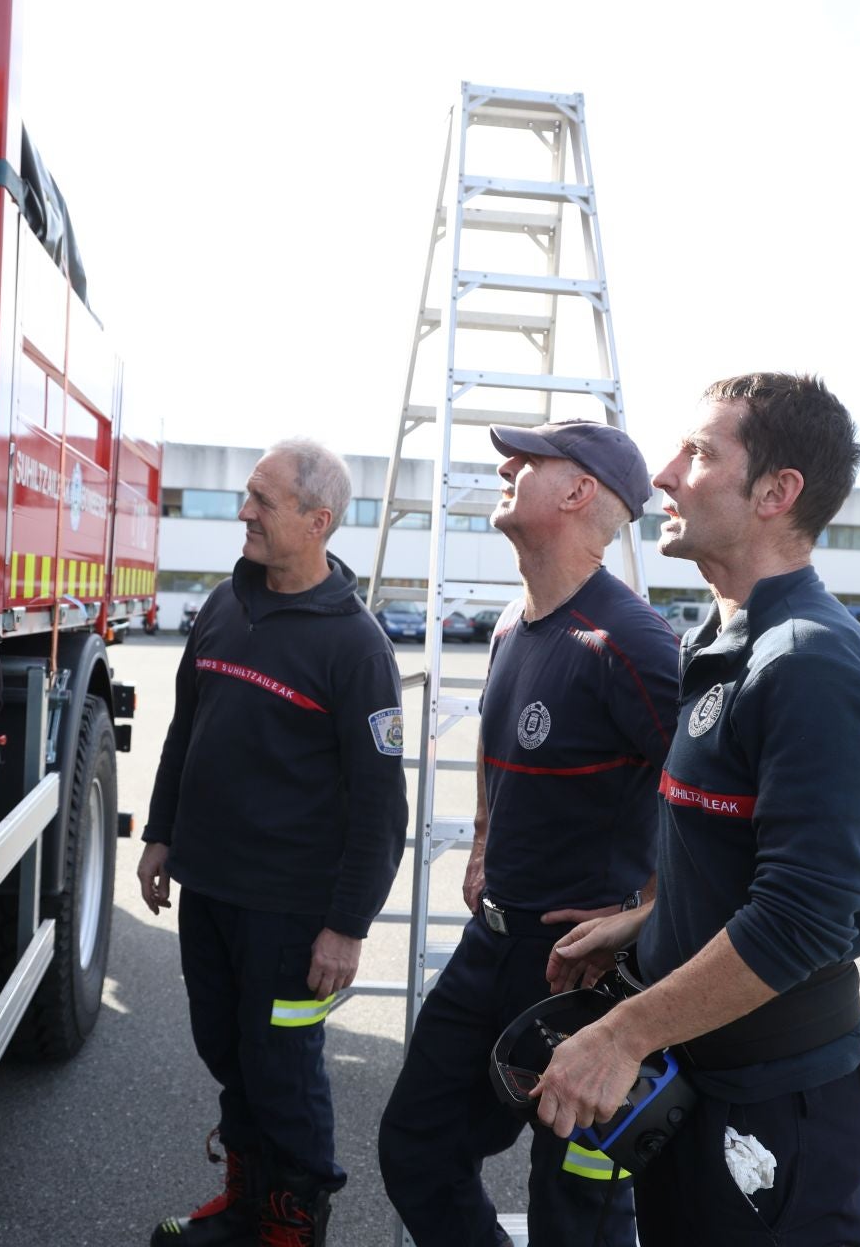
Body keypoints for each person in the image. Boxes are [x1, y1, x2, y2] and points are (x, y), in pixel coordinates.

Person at [535, 373, 860, 1246]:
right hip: (701, 1077)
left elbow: (807, 917)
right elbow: (743, 852)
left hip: (775, 1104)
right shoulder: (722, 637)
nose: (664, 475)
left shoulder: (808, 662)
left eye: (700, 453)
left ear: (778, 494)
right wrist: (646, 923)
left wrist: (621, 1035)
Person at [378, 420, 680, 1247]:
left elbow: (719, 799)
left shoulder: (633, 641)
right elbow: (494, 735)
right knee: (416, 1146)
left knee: (575, 1208)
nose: (506, 467)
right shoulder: (517, 624)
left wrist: (650, 911)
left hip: (582, 974)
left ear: (579, 492)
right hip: (493, 946)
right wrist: (481, 837)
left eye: (528, 461)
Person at [139, 438, 409, 1247]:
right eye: (246, 496)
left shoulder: (358, 648)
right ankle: (247, 1205)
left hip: (292, 914)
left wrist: (348, 926)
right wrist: (159, 835)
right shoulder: (227, 601)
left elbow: (380, 807)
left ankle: (291, 1228)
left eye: (263, 501)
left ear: (318, 521)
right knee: (228, 1052)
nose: (244, 513)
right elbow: (187, 729)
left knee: (284, 1072)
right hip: (210, 889)